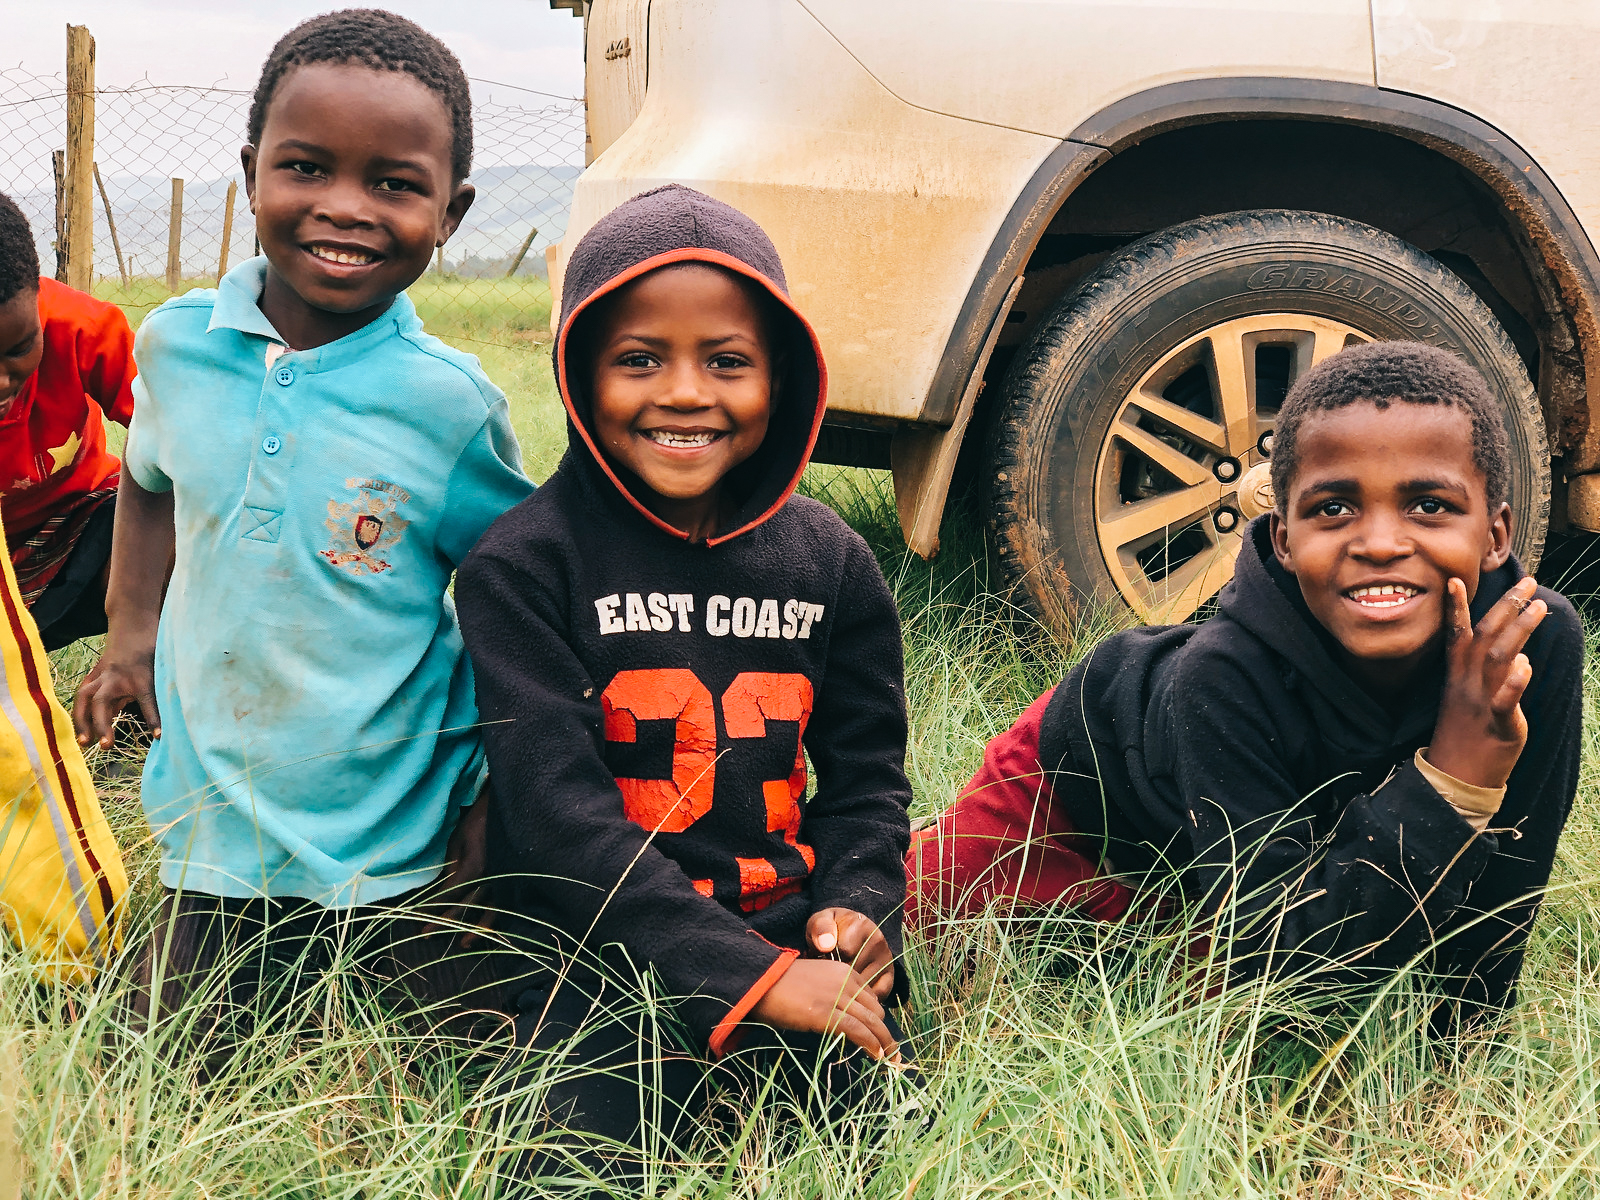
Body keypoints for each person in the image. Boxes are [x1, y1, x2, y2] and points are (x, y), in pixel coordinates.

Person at [71, 9, 532, 1044]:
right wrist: (131, 635)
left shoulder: (446, 406)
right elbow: (145, 480)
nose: (344, 208)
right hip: (218, 828)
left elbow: (524, 594)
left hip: (399, 831)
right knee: (154, 1050)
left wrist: (495, 789)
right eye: (307, 168)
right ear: (251, 171)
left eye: (395, 184)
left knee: (463, 1048)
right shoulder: (178, 348)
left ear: (450, 212)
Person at [455, 184, 916, 1190]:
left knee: (880, 1143)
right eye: (638, 359)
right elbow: (557, 821)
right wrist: (750, 982)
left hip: (786, 928)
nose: (683, 393)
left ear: (780, 377)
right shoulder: (525, 565)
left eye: (726, 361)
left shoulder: (832, 562)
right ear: (578, 370)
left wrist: (856, 907)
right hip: (599, 951)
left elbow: (869, 777)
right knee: (570, 1168)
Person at [908, 340, 1583, 1023]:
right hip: (1071, 796)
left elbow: (1506, 885)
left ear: (1497, 534)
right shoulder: (1222, 672)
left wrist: (1465, 1038)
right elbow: (1287, 973)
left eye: (1430, 506)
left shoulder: (1536, 644)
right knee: (895, 920)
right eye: (1334, 509)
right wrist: (1453, 778)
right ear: (1283, 539)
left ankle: (1184, 914)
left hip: (1244, 844)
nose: (1380, 542)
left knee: (1213, 968)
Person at [0, 192, 136, 651]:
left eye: (19, 349)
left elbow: (181, 436)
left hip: (81, 524)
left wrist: (137, 632)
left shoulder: (80, 327)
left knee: (186, 531)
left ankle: (138, 711)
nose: (1, 381)